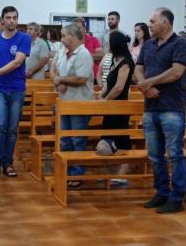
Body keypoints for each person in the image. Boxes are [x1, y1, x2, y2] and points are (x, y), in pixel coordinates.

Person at [135, 7, 186, 214]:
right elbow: (138, 67)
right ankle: (161, 192)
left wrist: (149, 82)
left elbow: (176, 72)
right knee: (155, 155)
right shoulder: (148, 45)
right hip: (150, 108)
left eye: (152, 21)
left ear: (165, 23)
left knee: (175, 154)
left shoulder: (181, 44)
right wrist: (144, 84)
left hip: (172, 107)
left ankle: (177, 197)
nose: (149, 24)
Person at [0, 6, 31, 179]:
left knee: (12, 128)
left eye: (15, 17)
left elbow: (17, 62)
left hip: (17, 89)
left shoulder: (24, 38)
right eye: (9, 18)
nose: (12, 21)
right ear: (2, 20)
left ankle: (8, 163)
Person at [52, 23, 94, 186]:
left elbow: (81, 79)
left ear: (74, 37)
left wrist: (62, 80)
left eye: (64, 36)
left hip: (79, 102)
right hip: (64, 102)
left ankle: (77, 173)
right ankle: (66, 169)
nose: (61, 39)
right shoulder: (63, 52)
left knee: (77, 139)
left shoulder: (83, 54)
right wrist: (57, 81)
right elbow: (54, 69)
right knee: (65, 139)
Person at [99, 32, 134, 149]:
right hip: (110, 105)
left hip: (119, 105)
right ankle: (114, 165)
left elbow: (119, 87)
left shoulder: (126, 62)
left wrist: (106, 100)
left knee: (120, 139)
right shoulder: (115, 61)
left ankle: (124, 166)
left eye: (109, 42)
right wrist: (102, 95)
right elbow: (108, 83)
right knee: (108, 138)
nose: (106, 44)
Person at [72, 17, 103, 82]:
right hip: (75, 78)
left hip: (93, 78)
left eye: (78, 27)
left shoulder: (93, 40)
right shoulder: (70, 41)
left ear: (84, 29)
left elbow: (100, 55)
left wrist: (82, 55)